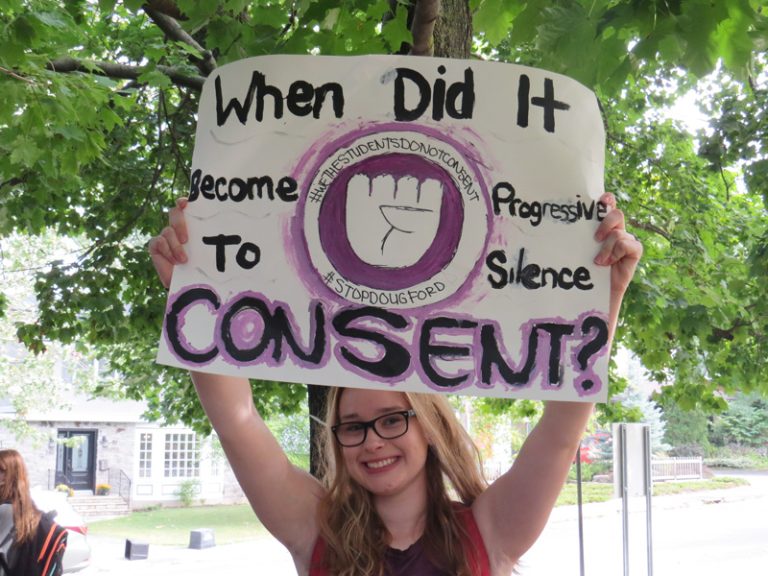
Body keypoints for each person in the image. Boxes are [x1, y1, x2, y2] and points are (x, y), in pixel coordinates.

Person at [149, 192, 642, 576]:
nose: (372, 442)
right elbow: (237, 420)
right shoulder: (314, 528)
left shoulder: (489, 530)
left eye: (391, 420)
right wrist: (189, 293)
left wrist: (607, 293)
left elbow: (559, 434)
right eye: (353, 427)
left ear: (428, 426)